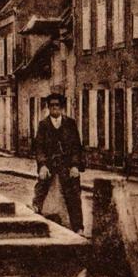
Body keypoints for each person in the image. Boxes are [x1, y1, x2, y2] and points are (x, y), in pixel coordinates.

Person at [32, 93, 85, 235]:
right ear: (48, 108)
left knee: (74, 194)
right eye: (51, 106)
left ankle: (78, 228)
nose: (54, 108)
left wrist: (75, 165)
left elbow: (76, 147)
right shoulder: (43, 125)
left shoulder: (70, 124)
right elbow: (39, 147)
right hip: (50, 164)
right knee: (40, 190)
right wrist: (42, 165)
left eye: (57, 105)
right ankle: (35, 219)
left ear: (62, 107)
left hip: (67, 165)